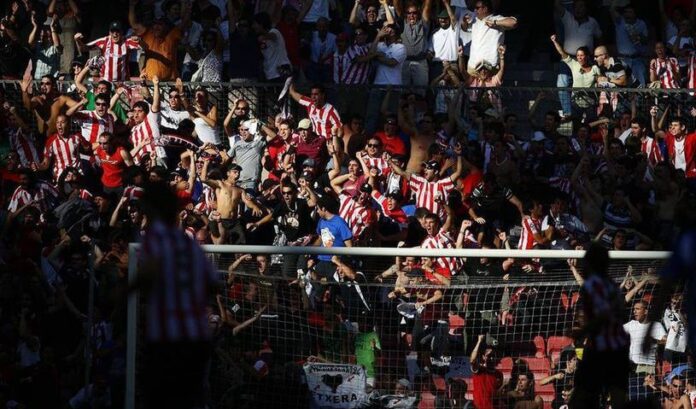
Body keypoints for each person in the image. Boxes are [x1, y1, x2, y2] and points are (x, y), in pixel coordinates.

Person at [132, 181, 218, 409]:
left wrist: (124, 293)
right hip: (196, 337)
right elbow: (212, 283)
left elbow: (147, 272)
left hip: (168, 339)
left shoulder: (157, 236)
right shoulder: (188, 242)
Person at [570, 242, 630, 409]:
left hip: (602, 349)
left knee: (581, 398)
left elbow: (603, 315)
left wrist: (583, 331)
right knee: (617, 398)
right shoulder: (612, 285)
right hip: (619, 347)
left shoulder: (594, 284)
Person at [624, 300, 667, 401]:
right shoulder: (632, 324)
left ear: (646, 311)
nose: (634, 311)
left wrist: (654, 340)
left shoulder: (656, 325)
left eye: (637, 309)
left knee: (643, 398)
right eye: (634, 309)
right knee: (632, 398)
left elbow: (666, 340)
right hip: (632, 368)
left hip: (646, 367)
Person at [74, 21, 140, 82]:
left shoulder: (127, 42)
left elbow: (145, 48)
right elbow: (84, 48)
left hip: (122, 82)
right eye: (112, 31)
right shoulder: (104, 41)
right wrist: (78, 41)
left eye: (117, 31)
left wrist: (139, 40)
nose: (115, 34)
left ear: (122, 32)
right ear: (109, 32)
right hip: (106, 81)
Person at [465, 0, 517, 75]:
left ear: (485, 9)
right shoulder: (474, 20)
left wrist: (495, 23)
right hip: (472, 67)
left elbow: (513, 22)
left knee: (490, 87)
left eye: (477, 8)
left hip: (489, 67)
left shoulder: (496, 18)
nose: (475, 10)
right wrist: (464, 22)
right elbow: (464, 28)